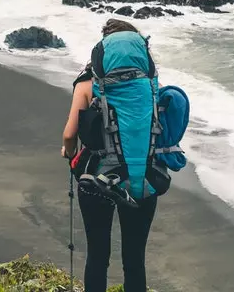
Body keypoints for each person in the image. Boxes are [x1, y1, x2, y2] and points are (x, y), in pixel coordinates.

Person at [61, 18, 159, 292]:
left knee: (97, 256)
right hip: (142, 179)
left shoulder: (86, 84)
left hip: (96, 179)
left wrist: (69, 154)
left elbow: (70, 135)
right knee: (134, 259)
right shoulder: (150, 85)